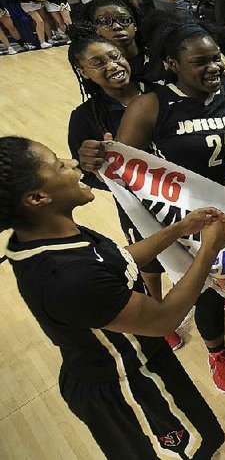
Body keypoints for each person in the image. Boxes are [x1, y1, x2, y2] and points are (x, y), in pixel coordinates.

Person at [77, 13, 225, 395]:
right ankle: (217, 352)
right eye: (200, 62)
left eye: (216, 58)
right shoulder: (151, 106)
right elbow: (123, 169)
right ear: (172, 65)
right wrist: (94, 160)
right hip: (192, 216)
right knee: (206, 290)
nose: (213, 67)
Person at [1, 137, 225, 458]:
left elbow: (117, 262)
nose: (73, 164)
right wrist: (208, 250)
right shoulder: (69, 278)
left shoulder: (43, 235)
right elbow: (164, 319)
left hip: (134, 361)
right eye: (58, 165)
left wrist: (180, 228)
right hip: (128, 384)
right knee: (189, 452)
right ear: (37, 197)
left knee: (203, 437)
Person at [64, 23, 180, 349]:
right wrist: (92, 166)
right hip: (138, 205)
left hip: (183, 190)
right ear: (83, 72)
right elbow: (87, 173)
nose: (113, 66)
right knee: (151, 260)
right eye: (98, 63)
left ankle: (214, 287)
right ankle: (156, 309)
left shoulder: (161, 89)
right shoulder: (85, 117)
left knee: (196, 243)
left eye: (114, 56)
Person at [82, 0, 164, 85]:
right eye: (105, 22)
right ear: (95, 30)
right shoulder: (101, 71)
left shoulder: (160, 53)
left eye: (123, 20)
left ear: (135, 25)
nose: (117, 26)